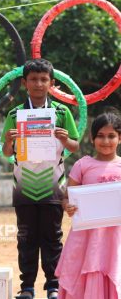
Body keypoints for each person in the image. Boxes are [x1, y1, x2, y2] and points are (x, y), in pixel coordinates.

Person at [1, 58, 79, 299]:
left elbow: (75, 147)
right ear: (25, 83)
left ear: (51, 83)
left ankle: (53, 285)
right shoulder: (15, 113)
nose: (38, 83)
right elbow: (5, 152)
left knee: (53, 237)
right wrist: (11, 141)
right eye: (33, 79)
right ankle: (27, 287)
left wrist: (65, 139)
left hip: (53, 186)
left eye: (43, 79)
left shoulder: (62, 112)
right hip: (23, 187)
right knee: (26, 238)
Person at [56, 111, 121, 299]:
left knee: (113, 268)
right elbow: (67, 198)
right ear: (92, 138)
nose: (106, 141)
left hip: (114, 237)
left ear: (120, 138)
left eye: (111, 136)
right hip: (86, 237)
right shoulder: (82, 165)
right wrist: (68, 206)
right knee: (85, 270)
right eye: (100, 136)